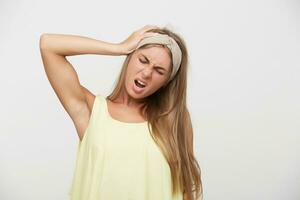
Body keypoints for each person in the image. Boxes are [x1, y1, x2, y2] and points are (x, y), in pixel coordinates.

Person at [39, 25, 203, 200]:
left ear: (166, 82)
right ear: (130, 57)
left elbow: (186, 192)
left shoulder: (173, 118)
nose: (147, 73)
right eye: (143, 60)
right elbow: (48, 45)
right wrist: (118, 48)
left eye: (159, 71)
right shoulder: (93, 112)